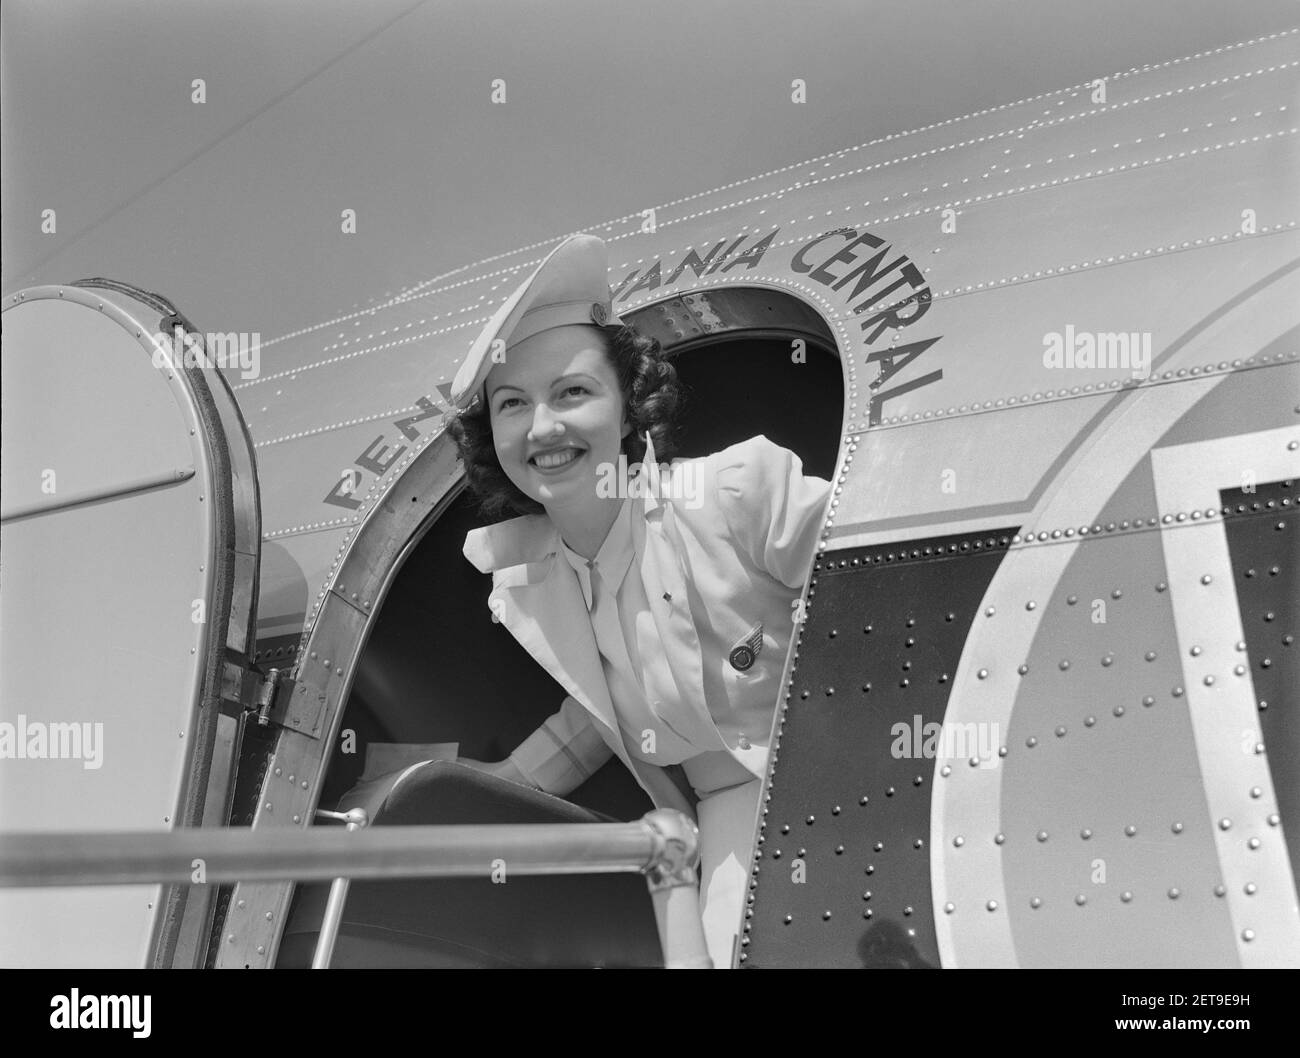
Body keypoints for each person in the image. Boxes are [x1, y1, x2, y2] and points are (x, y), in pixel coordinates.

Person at [445, 233, 830, 967]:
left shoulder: (736, 492)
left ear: (627, 409)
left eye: (572, 393)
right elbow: (600, 710)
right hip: (726, 820)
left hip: (849, 776)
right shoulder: (534, 582)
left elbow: (880, 573)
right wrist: (472, 795)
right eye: (512, 404)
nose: (544, 427)